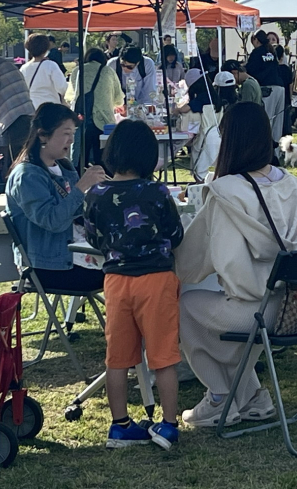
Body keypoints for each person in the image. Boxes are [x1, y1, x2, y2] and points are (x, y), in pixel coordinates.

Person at [175, 102, 297, 428]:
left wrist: (180, 263)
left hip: (256, 307)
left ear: (229, 140)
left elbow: (207, 258)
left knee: (185, 307)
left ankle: (219, 396)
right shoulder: (291, 183)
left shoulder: (226, 191)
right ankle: (252, 397)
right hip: (293, 305)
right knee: (225, 318)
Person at [84, 119, 184, 450]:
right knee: (163, 355)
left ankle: (120, 425)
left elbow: (93, 237)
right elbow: (175, 234)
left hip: (116, 280)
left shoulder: (96, 195)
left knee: (117, 357)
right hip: (156, 280)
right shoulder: (157, 192)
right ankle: (168, 424)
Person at [5, 103, 107, 292]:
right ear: (43, 135)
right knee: (126, 271)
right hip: (48, 267)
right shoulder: (27, 176)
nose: (71, 140)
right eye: (66, 133)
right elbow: (52, 221)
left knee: (134, 262)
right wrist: (81, 187)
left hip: (72, 254)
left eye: (73, 134)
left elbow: (76, 211)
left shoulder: (64, 166)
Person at [68, 48, 123, 166]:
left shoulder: (78, 70)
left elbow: (71, 94)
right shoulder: (108, 71)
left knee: (80, 159)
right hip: (104, 121)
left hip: (82, 119)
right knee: (103, 160)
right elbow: (119, 100)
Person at [21, 33, 69, 110]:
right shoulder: (50, 65)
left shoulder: (24, 68)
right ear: (46, 47)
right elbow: (62, 88)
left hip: (31, 108)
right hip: (50, 107)